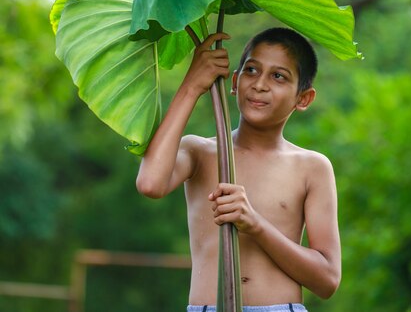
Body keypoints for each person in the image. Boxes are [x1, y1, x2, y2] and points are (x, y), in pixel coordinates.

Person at [136, 27, 341, 312]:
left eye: (278, 76)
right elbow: (150, 184)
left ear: (303, 98)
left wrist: (255, 225)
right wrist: (192, 85)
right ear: (234, 81)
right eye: (252, 70)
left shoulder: (312, 167)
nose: (259, 85)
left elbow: (327, 280)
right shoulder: (199, 151)